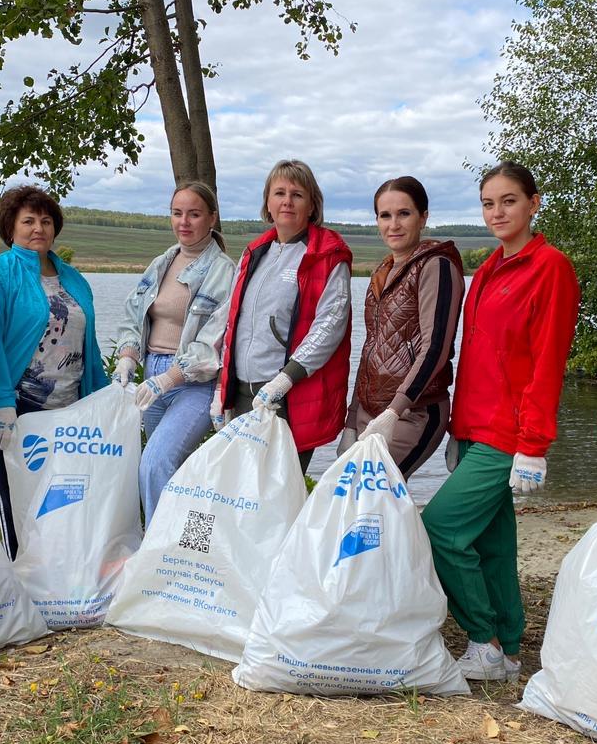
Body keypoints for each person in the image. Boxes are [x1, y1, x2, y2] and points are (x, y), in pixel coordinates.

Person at [421, 161, 579, 682]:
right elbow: (479, 359)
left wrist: (534, 444)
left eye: (508, 200)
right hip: (472, 427)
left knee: (440, 526)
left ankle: (482, 637)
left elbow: (547, 361)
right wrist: (454, 429)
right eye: (488, 203)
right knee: (492, 542)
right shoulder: (488, 269)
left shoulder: (550, 266)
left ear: (534, 203)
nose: (497, 212)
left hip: (508, 434)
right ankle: (508, 652)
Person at [0, 185, 108, 560]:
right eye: (27, 220)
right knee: (13, 500)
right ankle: (18, 583)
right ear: (10, 228)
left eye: (45, 220)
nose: (38, 228)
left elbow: (86, 345)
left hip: (63, 411)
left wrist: (103, 399)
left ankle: (52, 581)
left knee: (56, 499)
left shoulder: (73, 278)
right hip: (5, 409)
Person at [213, 159, 352, 472]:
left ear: (312, 204)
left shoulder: (326, 256)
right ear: (268, 202)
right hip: (244, 394)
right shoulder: (254, 253)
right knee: (240, 490)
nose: (287, 201)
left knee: (277, 495)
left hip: (287, 396)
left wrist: (285, 378)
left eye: (297, 194)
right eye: (279, 193)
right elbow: (232, 321)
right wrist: (222, 390)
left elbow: (331, 324)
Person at [113, 181, 236, 525]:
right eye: (177, 213)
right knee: (168, 473)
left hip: (192, 384)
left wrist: (170, 377)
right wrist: (128, 355)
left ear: (212, 218)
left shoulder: (223, 270)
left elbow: (214, 339)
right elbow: (134, 314)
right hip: (152, 375)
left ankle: (157, 556)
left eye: (194, 214)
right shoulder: (163, 262)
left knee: (155, 464)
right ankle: (185, 552)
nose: (184, 222)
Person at [337, 176, 463, 478]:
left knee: (369, 492)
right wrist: (351, 421)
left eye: (404, 213)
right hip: (370, 412)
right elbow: (371, 350)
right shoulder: (382, 271)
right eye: (385, 215)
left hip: (413, 412)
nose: (394, 224)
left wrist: (395, 410)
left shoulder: (436, 266)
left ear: (423, 217)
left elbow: (434, 347)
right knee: (362, 505)